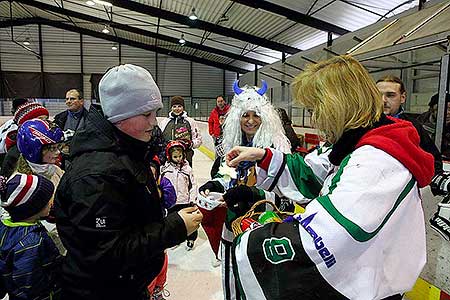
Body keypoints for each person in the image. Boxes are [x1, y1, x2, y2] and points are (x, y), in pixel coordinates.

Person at [224, 55, 434, 300]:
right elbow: (312, 173)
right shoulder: (355, 142)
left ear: (338, 105)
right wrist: (261, 155)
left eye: (315, 110)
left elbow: (322, 242)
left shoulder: (378, 160)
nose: (314, 120)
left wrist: (255, 236)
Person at [53, 64, 203, 300]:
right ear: (120, 115)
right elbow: (106, 254)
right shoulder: (96, 177)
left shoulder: (125, 149)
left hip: (127, 285)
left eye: (155, 112)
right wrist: (174, 228)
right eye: (147, 114)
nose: (154, 123)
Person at [198, 80, 291, 298]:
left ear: (265, 118)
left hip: (265, 227)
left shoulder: (277, 150)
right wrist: (216, 183)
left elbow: (286, 199)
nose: (250, 121)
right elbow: (227, 175)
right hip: (234, 222)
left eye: (256, 115)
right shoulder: (233, 144)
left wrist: (253, 194)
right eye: (245, 115)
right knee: (232, 274)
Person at [0, 173, 62, 300]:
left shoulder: (8, 225)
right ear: (33, 208)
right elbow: (30, 285)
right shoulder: (30, 244)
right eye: (47, 200)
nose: (51, 202)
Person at [15, 119, 65, 253]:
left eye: (58, 146)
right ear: (34, 150)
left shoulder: (55, 170)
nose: (58, 152)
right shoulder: (23, 184)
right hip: (45, 248)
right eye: (52, 148)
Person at [376, 75, 442, 174]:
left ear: (402, 98)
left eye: (390, 95)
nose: (383, 100)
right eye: (378, 95)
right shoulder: (363, 125)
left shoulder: (413, 126)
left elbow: (434, 161)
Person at [161, 140, 198, 250]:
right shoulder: (165, 170)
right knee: (173, 222)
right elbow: (162, 186)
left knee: (190, 221)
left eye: (180, 156)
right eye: (175, 156)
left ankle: (191, 238)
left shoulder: (187, 169)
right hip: (172, 203)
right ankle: (175, 239)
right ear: (169, 156)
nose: (178, 159)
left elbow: (193, 185)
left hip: (185, 200)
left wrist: (193, 199)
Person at [1, 102, 50, 178]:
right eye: (39, 120)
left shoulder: (47, 145)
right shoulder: (15, 153)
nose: (45, 123)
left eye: (46, 119)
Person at [159, 96, 202, 166]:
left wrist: (190, 143)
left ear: (183, 107)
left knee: (185, 176)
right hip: (168, 158)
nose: (177, 109)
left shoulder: (190, 122)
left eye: (179, 106)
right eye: (174, 106)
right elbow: (159, 139)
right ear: (171, 108)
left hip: (186, 157)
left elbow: (198, 140)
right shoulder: (164, 122)